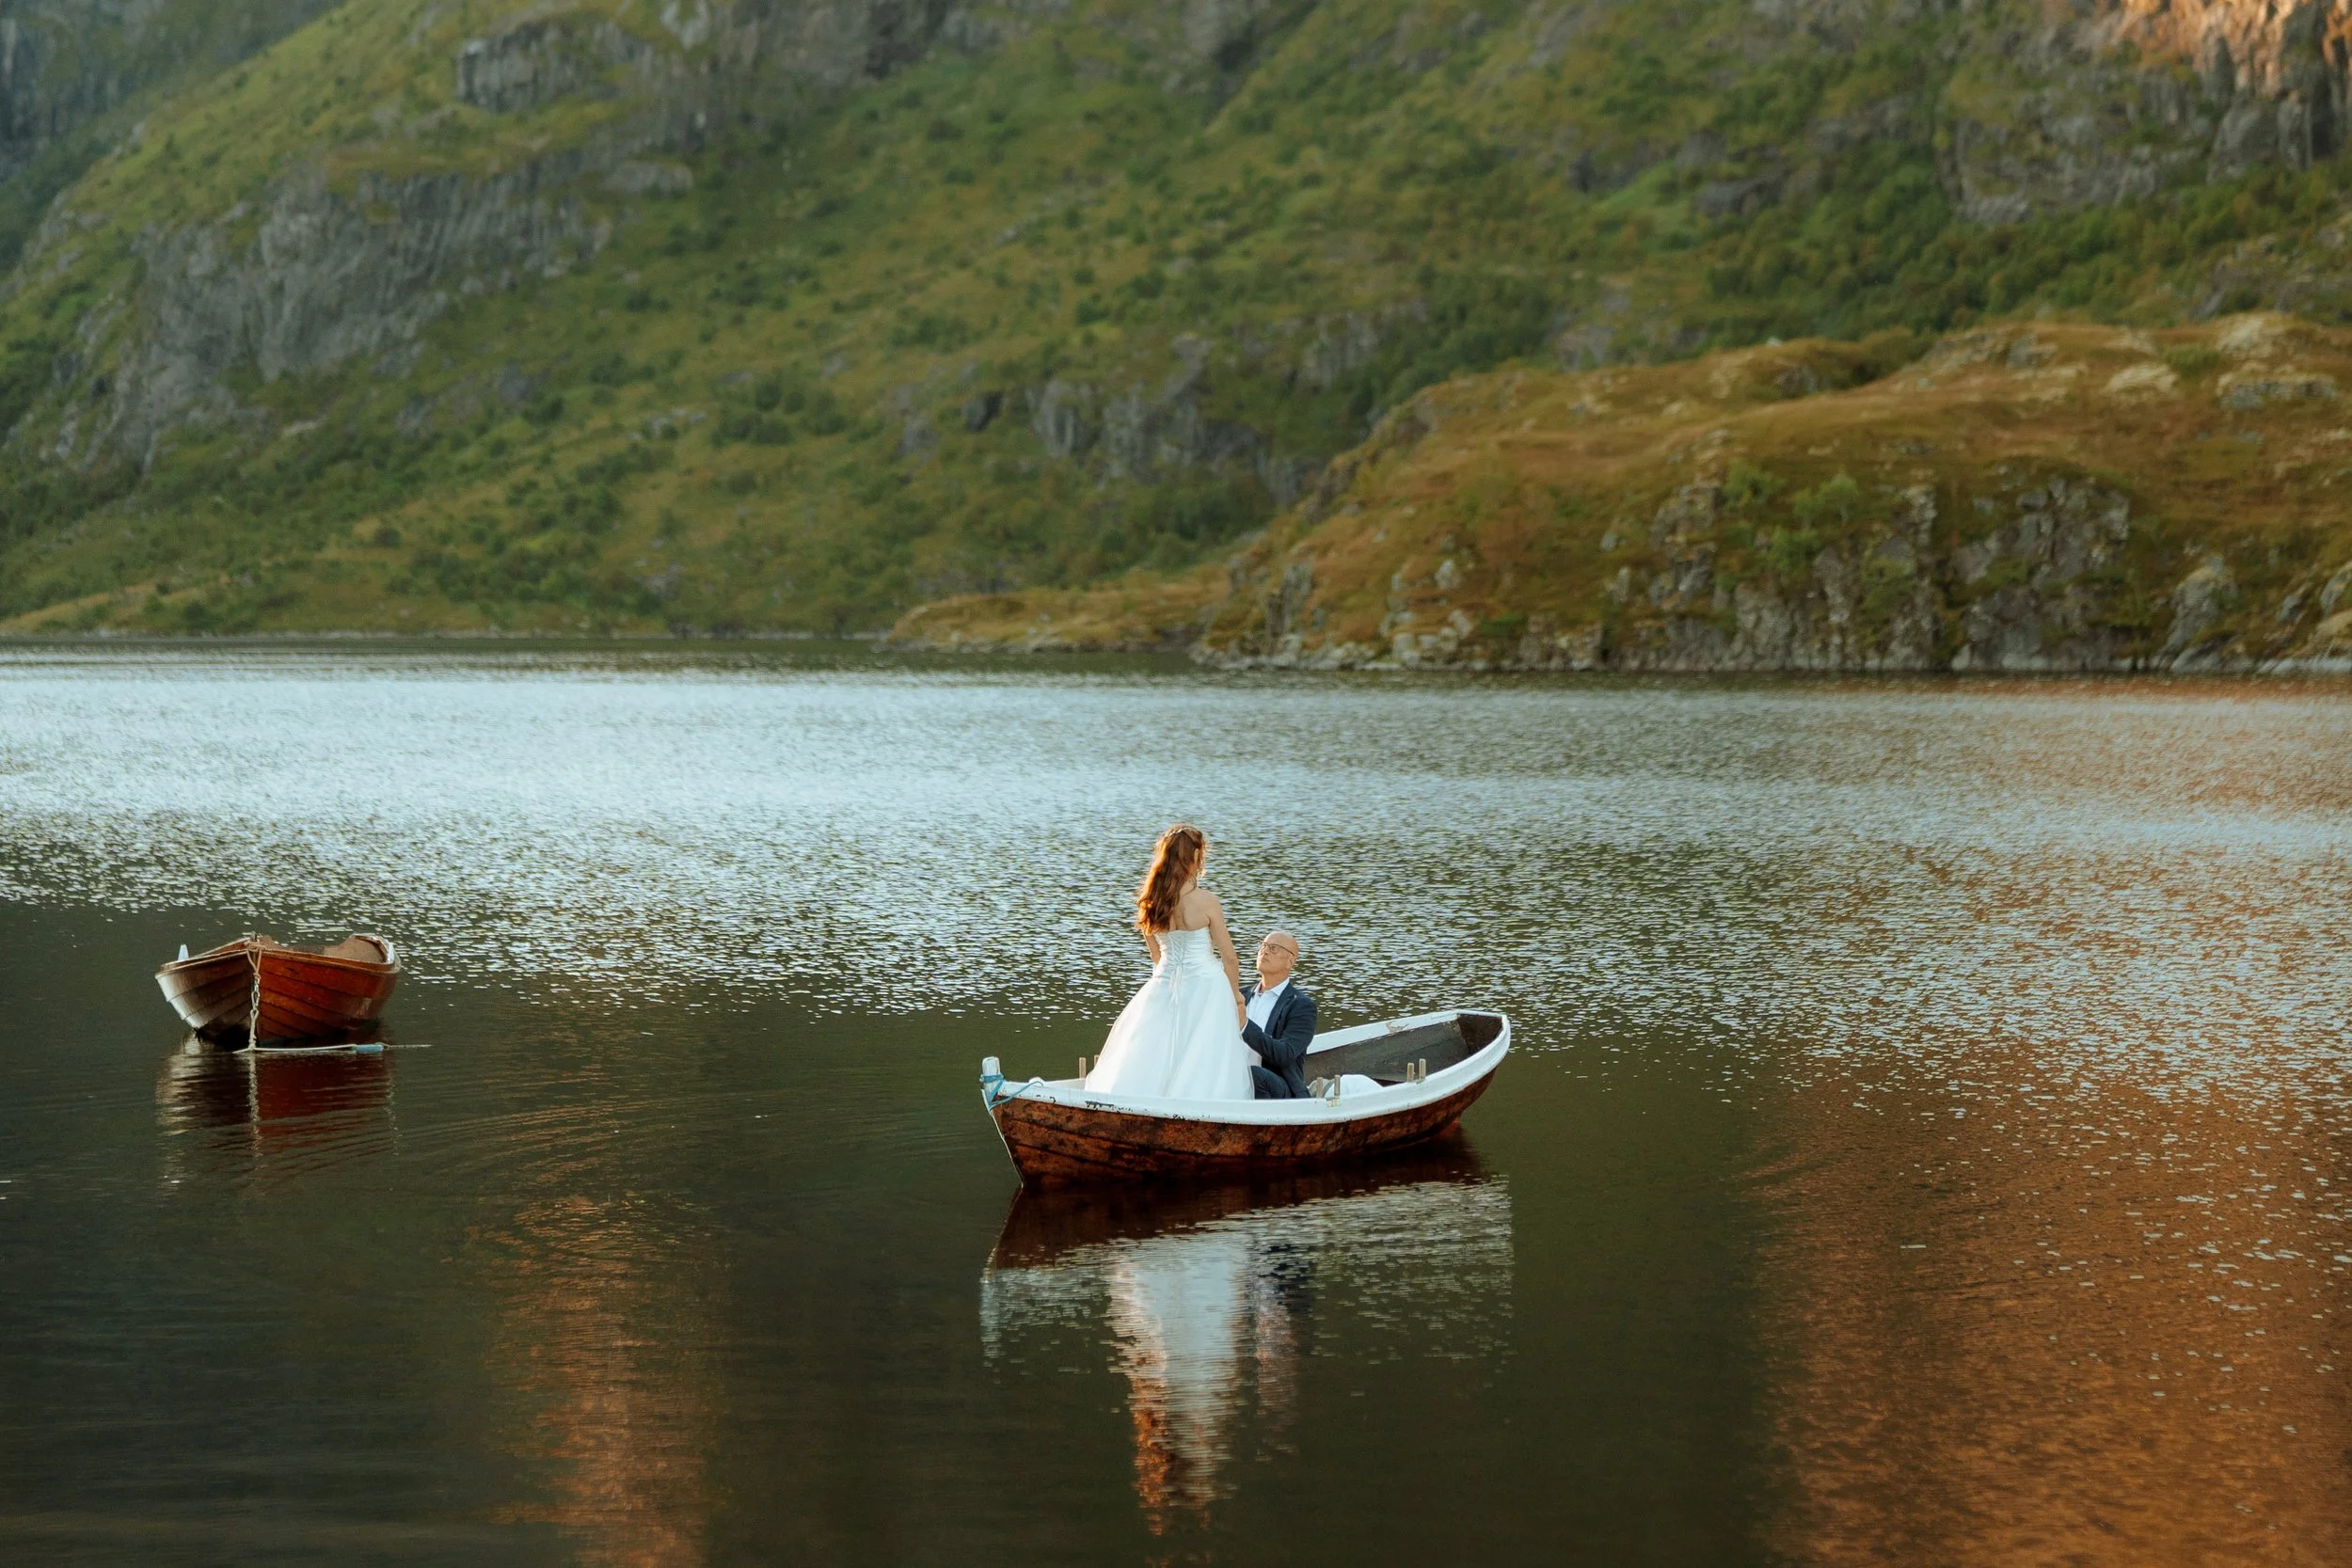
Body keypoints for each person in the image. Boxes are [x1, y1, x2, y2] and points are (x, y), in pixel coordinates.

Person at [1083, 825, 1254, 1101]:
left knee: (1153, 1049)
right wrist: (1235, 996)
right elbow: (1229, 956)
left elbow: (1157, 956)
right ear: (1195, 856)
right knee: (1204, 1052)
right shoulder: (1206, 901)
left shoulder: (1150, 901)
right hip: (1206, 985)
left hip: (1163, 982)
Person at [1241, 930, 1317, 1100]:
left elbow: (1284, 1055)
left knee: (1253, 1075)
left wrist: (1245, 1026)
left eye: (1273, 948)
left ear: (1290, 961)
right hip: (1232, 1078)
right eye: (1263, 946)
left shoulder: (1302, 1005)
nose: (1264, 951)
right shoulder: (1240, 997)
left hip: (1278, 1089)